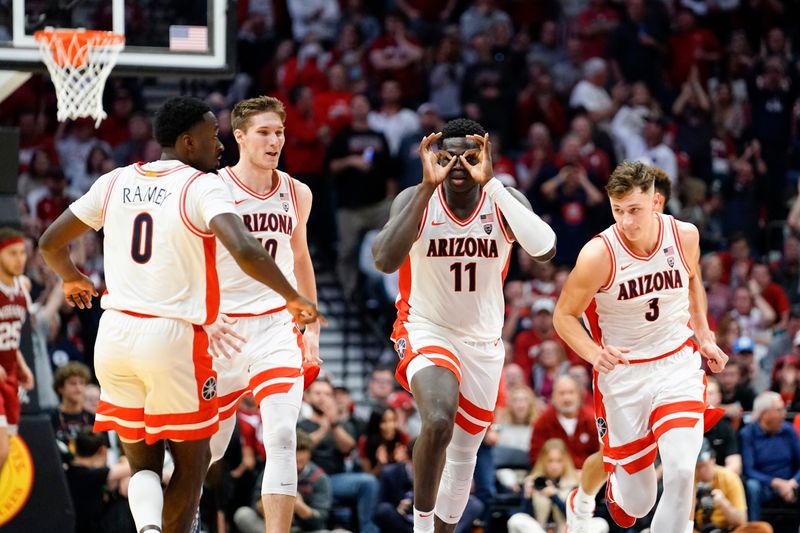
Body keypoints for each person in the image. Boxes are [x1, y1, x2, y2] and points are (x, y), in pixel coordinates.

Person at [38, 96, 321, 533]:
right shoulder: (203, 185)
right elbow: (245, 249)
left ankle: (149, 529)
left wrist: (73, 279)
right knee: (193, 464)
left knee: (144, 464)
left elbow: (50, 242)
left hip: (114, 334)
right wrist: (294, 296)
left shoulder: (114, 180)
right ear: (189, 142)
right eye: (213, 137)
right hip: (178, 336)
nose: (220, 145)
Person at [371, 118, 556, 533]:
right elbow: (383, 260)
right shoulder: (416, 199)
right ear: (434, 157)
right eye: (448, 154)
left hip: (483, 342)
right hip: (425, 327)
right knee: (437, 419)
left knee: (464, 456)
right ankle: (421, 527)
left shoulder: (504, 200)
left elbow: (545, 250)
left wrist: (492, 185)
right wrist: (423, 188)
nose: (458, 163)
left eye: (469, 155)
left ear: (486, 156)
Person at [553, 161, 727, 533]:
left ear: (656, 203)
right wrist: (593, 353)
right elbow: (563, 316)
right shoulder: (599, 254)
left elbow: (693, 280)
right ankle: (602, 491)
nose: (626, 221)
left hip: (676, 364)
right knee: (638, 502)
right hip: (625, 375)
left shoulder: (684, 236)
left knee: (681, 470)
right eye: (618, 211)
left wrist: (705, 334)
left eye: (634, 210)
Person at [205, 95, 322, 533]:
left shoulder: (297, 191)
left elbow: (301, 259)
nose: (275, 141)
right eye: (265, 132)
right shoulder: (213, 188)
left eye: (280, 132)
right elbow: (191, 259)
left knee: (282, 436)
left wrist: (309, 327)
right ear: (239, 137)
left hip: (275, 326)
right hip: (223, 330)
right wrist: (205, 315)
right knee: (207, 450)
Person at [233, 430, 333, 533]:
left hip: (302, 529)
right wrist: (271, 500)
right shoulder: (271, 471)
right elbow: (255, 505)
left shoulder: (319, 478)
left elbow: (320, 519)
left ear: (309, 453)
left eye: (302, 451)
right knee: (243, 514)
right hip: (272, 527)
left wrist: (298, 506)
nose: (298, 456)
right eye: (294, 451)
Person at [0, 228, 35, 476]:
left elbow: (10, 336)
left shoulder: (23, 287)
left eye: (23, 253)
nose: (19, 259)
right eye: (12, 253)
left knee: (6, 449)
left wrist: (21, 366)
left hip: (9, 374)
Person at [740, 391, 800, 521]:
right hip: (764, 486)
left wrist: (792, 482)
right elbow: (749, 470)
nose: (784, 414)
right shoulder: (748, 434)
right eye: (779, 410)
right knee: (752, 486)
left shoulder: (788, 430)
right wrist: (776, 483)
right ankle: (754, 528)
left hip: (791, 483)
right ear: (764, 414)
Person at [694, 438, 773, 533]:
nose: (700, 471)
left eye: (703, 465)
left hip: (727, 530)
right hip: (698, 529)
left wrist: (723, 503)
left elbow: (741, 521)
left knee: (763, 529)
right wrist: (695, 502)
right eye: (696, 467)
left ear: (713, 460)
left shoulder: (729, 477)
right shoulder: (688, 480)